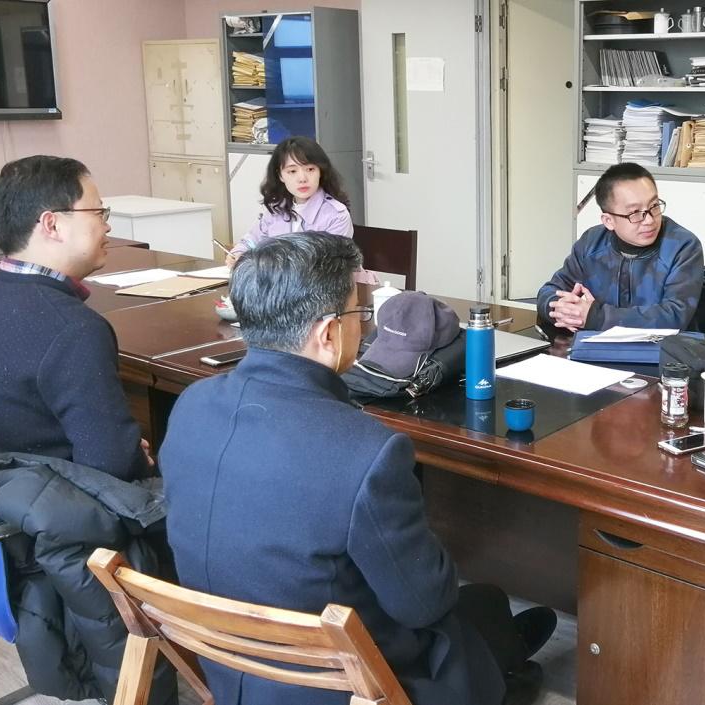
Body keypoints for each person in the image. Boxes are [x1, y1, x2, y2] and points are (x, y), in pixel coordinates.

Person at [159, 232, 555, 705]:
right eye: (359, 315)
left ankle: (507, 654)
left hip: (229, 662)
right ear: (328, 333)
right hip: (342, 683)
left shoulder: (192, 404)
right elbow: (425, 603)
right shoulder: (365, 449)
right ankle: (507, 668)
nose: (363, 330)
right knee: (476, 611)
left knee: (484, 608)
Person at [0, 155, 151, 480]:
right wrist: (134, 456)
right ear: (52, 224)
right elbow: (113, 467)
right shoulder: (75, 329)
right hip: (48, 503)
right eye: (98, 212)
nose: (107, 225)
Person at [537, 162, 703, 331]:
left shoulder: (682, 246)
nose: (649, 220)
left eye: (654, 206)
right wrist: (563, 310)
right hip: (595, 344)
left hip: (663, 347)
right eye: (635, 213)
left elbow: (674, 317)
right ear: (608, 221)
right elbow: (549, 291)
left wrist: (596, 317)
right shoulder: (591, 243)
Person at [227, 135, 379, 283]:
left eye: (310, 169)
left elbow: (325, 269)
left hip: (333, 290)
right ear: (280, 175)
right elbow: (252, 240)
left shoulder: (336, 215)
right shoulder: (276, 209)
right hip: (284, 287)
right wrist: (239, 253)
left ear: (320, 172)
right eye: (292, 171)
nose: (302, 178)